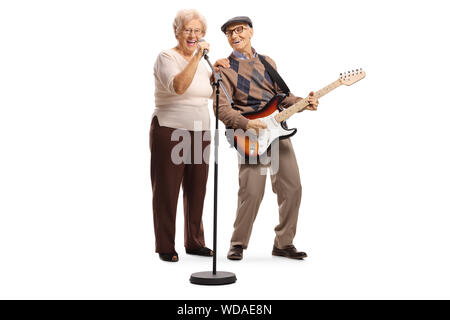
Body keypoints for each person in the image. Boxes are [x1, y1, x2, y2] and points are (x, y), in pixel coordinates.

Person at [214, 16, 319, 261]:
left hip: (277, 131)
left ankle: (284, 243)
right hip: (249, 134)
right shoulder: (222, 68)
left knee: (292, 188)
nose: (234, 35)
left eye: (239, 29)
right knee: (251, 191)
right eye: (229, 33)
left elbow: (282, 97)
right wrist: (246, 123)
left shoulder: (267, 62)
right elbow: (221, 109)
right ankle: (238, 243)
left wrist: (303, 103)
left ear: (251, 32)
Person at [150, 9, 214, 262]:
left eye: (198, 31)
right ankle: (166, 246)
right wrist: (198, 56)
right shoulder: (166, 57)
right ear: (177, 31)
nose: (193, 35)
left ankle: (195, 242)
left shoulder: (206, 62)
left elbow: (210, 92)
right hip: (170, 128)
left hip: (202, 130)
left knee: (197, 189)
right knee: (167, 189)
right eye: (188, 29)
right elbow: (178, 87)